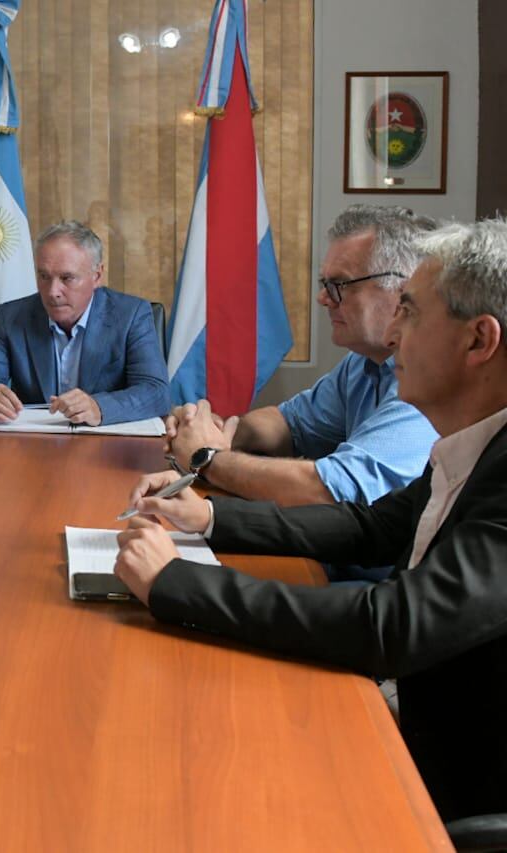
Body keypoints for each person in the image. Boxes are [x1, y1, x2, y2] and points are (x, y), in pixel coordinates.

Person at [113, 219, 507, 822]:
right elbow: (367, 526)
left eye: (412, 311)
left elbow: (393, 624)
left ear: (479, 341)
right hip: (419, 719)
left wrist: (179, 583)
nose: (395, 333)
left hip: (451, 780)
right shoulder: (470, 442)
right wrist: (212, 518)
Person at [165, 205, 438, 509]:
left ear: (403, 290)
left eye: (339, 285)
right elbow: (289, 424)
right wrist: (210, 428)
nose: (323, 298)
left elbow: (333, 489)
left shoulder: (431, 377)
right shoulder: (362, 363)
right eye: (325, 285)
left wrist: (207, 458)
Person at [0, 220, 170, 426]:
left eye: (67, 278)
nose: (52, 292)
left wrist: (99, 407)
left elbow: (155, 392)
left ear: (97, 276)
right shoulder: (12, 316)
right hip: (33, 447)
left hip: (108, 447)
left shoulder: (131, 314)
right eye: (44, 276)